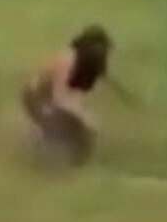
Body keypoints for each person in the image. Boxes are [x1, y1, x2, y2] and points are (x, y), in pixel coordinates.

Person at [21, 26, 113, 165]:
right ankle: (39, 152)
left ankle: (67, 159)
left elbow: (74, 93)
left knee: (82, 132)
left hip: (52, 99)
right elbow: (60, 98)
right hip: (38, 99)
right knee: (66, 130)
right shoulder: (67, 61)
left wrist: (81, 114)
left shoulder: (82, 64)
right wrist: (83, 116)